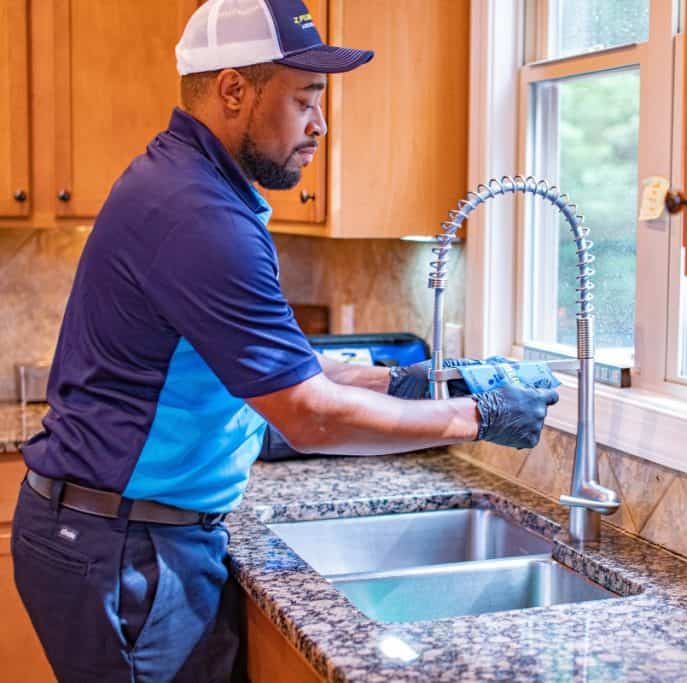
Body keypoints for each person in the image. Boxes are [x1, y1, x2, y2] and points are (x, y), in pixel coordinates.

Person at [10, 0, 558, 681]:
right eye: (305, 100)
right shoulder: (200, 215)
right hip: (123, 546)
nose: (321, 125)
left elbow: (286, 368)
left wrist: (422, 379)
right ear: (234, 89)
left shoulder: (199, 185)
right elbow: (308, 412)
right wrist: (477, 415)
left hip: (139, 532)